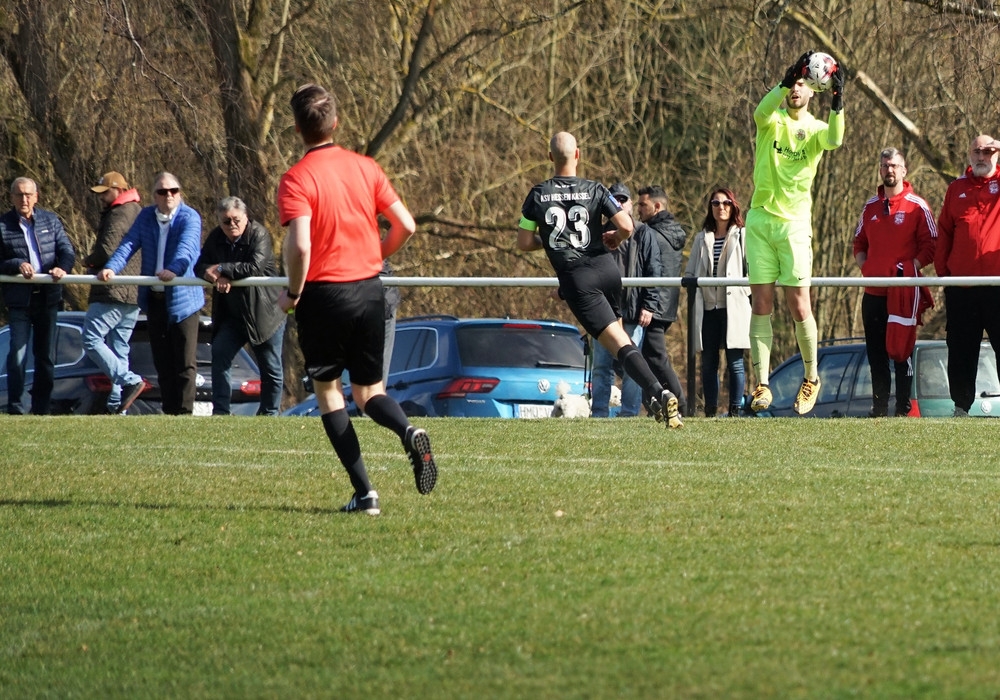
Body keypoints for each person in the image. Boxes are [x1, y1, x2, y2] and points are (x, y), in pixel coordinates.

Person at [277, 83, 436, 516]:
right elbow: (406, 225)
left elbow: (301, 246)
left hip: (323, 295)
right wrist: (375, 256)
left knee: (330, 393)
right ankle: (408, 432)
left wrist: (293, 293)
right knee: (369, 392)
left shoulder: (296, 178)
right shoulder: (367, 167)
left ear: (297, 129)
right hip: (370, 290)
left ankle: (365, 493)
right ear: (336, 123)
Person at [518, 131, 682, 428]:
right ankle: (657, 397)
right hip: (608, 271)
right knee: (622, 340)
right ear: (578, 155)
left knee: (619, 345)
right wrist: (616, 238)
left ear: (550, 157)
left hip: (578, 281)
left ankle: (661, 393)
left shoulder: (538, 195)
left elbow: (524, 242)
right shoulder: (595, 188)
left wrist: (553, 241)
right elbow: (627, 226)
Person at [745, 50, 845, 415]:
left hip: (795, 225)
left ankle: (811, 377)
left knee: (799, 304)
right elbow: (760, 112)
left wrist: (838, 101)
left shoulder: (816, 129)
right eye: (793, 84)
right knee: (761, 303)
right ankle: (762, 384)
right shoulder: (771, 121)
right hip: (760, 221)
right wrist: (784, 80)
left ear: (814, 90)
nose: (796, 90)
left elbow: (834, 140)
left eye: (803, 84)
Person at [98, 172, 204, 415]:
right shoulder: (146, 216)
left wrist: (174, 270)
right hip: (155, 300)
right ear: (154, 195)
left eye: (173, 191)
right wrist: (111, 268)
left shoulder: (190, 217)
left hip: (184, 302)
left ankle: (184, 414)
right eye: (162, 192)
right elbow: (128, 244)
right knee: (162, 361)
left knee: (185, 363)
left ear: (180, 193)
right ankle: (169, 414)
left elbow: (187, 249)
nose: (169, 196)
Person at [853, 148, 937, 417]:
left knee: (902, 352)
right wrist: (867, 268)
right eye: (884, 165)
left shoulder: (917, 205)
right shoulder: (870, 207)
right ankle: (879, 409)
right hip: (873, 293)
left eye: (894, 165)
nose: (889, 170)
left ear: (904, 170)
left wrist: (911, 267)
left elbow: (931, 244)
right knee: (876, 354)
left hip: (902, 293)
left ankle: (903, 409)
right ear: (880, 170)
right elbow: (859, 243)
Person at [195, 197, 285, 415]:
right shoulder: (216, 237)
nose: (232, 225)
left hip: (265, 314)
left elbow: (254, 266)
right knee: (220, 354)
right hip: (233, 316)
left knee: (270, 367)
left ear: (246, 217)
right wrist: (212, 274)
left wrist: (223, 269)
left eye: (236, 220)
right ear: (219, 221)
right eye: (226, 221)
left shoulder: (259, 234)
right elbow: (200, 265)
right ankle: (221, 413)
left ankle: (269, 415)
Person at [935, 134, 1000, 418]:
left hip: (997, 285)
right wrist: (944, 275)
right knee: (961, 349)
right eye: (977, 151)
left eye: (988, 151)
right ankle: (961, 407)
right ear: (969, 154)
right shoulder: (956, 189)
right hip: (962, 287)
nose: (982, 157)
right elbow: (944, 233)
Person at [0, 177, 75, 414]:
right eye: (19, 195)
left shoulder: (50, 221)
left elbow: (67, 250)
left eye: (28, 194)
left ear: (36, 197)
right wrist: (16, 264)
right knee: (18, 354)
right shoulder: (2, 225)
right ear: (12, 197)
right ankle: (16, 408)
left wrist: (62, 267)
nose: (24, 199)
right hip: (20, 300)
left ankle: (41, 410)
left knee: (45, 356)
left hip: (48, 297)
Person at [590, 182, 661, 418]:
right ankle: (599, 413)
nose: (618, 204)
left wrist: (649, 305)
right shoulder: (596, 234)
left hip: (632, 311)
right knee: (601, 367)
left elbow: (654, 270)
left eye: (623, 200)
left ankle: (629, 413)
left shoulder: (643, 233)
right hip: (603, 312)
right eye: (614, 200)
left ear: (630, 204)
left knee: (633, 368)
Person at [683, 188, 751, 417]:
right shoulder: (702, 238)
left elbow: (752, 270)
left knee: (735, 362)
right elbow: (690, 272)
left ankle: (735, 410)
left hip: (734, 307)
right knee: (709, 362)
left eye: (726, 203)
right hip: (707, 308)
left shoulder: (742, 235)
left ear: (733, 206)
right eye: (715, 203)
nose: (721, 207)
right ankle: (710, 410)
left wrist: (747, 294)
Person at [83, 171, 145, 414]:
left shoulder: (119, 213)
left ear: (118, 190)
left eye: (105, 193)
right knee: (119, 347)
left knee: (90, 338)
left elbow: (107, 251)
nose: (101, 198)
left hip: (113, 291)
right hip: (134, 293)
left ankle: (129, 380)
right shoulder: (138, 211)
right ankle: (117, 406)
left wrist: (88, 261)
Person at [635, 185, 688, 415]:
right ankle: (658, 406)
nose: (638, 209)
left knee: (654, 358)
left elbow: (650, 270)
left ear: (657, 206)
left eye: (642, 205)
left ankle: (682, 406)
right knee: (649, 358)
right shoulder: (672, 232)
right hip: (665, 304)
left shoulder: (652, 234)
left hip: (653, 305)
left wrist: (647, 304)